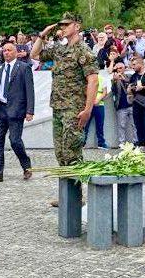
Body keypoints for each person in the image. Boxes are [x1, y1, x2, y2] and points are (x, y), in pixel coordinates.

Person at [30, 12, 98, 207]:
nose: (63, 27)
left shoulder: (83, 50)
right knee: (61, 153)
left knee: (73, 153)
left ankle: (77, 197)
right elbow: (35, 55)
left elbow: (93, 80)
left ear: (77, 26)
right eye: (61, 25)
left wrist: (88, 109)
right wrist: (43, 35)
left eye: (67, 24)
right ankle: (66, 197)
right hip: (59, 107)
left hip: (74, 109)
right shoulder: (60, 49)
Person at [0, 42, 35, 182]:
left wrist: (30, 110)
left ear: (16, 52)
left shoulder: (24, 68)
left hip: (17, 109)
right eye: (4, 50)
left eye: (9, 50)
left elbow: (30, 90)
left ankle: (26, 165)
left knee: (15, 140)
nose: (6, 53)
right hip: (0, 108)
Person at [128, 56, 145, 150]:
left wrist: (143, 87)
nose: (132, 67)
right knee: (137, 122)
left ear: (141, 64)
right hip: (137, 101)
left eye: (134, 64)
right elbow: (129, 89)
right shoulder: (134, 75)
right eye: (131, 65)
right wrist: (130, 89)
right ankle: (141, 141)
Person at [112, 62, 137, 145]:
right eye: (118, 68)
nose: (119, 69)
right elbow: (113, 91)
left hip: (131, 104)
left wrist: (124, 79)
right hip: (121, 105)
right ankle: (121, 143)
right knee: (121, 125)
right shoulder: (115, 79)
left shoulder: (129, 76)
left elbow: (133, 86)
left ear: (124, 68)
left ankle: (135, 142)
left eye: (121, 67)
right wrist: (115, 81)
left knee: (134, 124)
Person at [83, 73, 109, 149]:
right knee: (85, 125)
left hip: (99, 105)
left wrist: (98, 99)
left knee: (100, 125)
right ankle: (82, 143)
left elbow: (105, 92)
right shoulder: (87, 79)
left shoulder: (102, 79)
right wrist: (90, 100)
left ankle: (101, 143)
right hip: (88, 105)